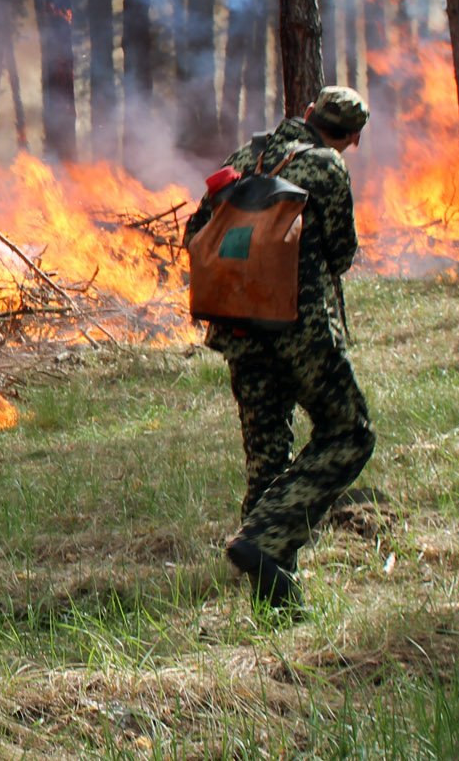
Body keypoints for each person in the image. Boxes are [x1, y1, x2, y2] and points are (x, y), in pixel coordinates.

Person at [185, 86, 375, 612]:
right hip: (301, 330)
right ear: (350, 137)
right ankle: (264, 541)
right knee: (349, 433)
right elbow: (341, 253)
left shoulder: (246, 155)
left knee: (267, 456)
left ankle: (274, 601)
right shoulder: (327, 168)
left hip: (239, 330)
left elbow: (196, 230)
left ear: (308, 113)